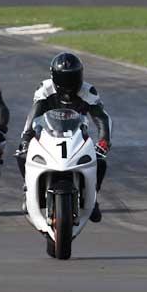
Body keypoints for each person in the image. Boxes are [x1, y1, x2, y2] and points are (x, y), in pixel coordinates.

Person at [15, 52, 111, 223]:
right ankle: (28, 189)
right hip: (48, 136)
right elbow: (33, 114)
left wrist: (104, 141)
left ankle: (92, 196)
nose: (69, 83)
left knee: (100, 161)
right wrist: (26, 137)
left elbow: (102, 118)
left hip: (77, 138)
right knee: (22, 155)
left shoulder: (88, 91)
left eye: (73, 77)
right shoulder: (45, 88)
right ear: (54, 77)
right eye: (64, 78)